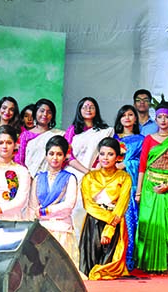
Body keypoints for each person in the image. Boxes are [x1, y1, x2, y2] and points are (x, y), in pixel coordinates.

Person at [134, 101, 168, 274]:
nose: (163, 120)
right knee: (149, 226)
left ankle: (167, 264)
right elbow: (142, 166)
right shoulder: (148, 140)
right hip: (150, 188)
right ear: (155, 119)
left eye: (167, 117)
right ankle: (147, 264)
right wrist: (139, 191)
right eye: (160, 117)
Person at [78, 137, 132, 280]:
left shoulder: (124, 177)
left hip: (114, 222)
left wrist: (110, 227)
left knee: (106, 267)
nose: (105, 158)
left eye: (110, 154)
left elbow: (121, 205)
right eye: (102, 154)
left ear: (117, 157)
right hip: (93, 222)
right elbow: (88, 204)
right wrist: (109, 219)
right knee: (88, 267)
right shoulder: (89, 177)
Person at [65, 97, 115, 239]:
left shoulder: (105, 131)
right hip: (75, 175)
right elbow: (67, 156)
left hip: (97, 176)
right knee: (75, 211)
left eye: (91, 106)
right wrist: (86, 171)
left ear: (96, 110)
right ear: (79, 110)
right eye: (85, 107)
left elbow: (107, 152)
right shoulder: (72, 130)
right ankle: (74, 246)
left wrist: (95, 171)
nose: (88, 109)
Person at [32, 136, 80, 268]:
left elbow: (68, 206)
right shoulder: (38, 178)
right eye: (51, 153)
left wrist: (46, 211)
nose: (55, 158)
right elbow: (33, 206)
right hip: (41, 229)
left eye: (59, 154)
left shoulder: (70, 178)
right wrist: (41, 213)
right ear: (46, 155)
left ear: (65, 157)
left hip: (62, 229)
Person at [113, 105, 144, 271]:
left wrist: (127, 164)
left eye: (130, 114)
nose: (127, 118)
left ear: (135, 118)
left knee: (130, 223)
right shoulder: (113, 138)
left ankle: (128, 260)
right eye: (123, 115)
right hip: (112, 186)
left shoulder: (141, 140)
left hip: (130, 187)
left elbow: (144, 164)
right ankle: (112, 258)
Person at [0, 125, 30, 221]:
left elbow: (21, 200)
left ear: (15, 145)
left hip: (11, 222)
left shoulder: (22, 171)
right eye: (0, 143)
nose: (4, 146)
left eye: (9, 143)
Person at [21, 99, 65, 176]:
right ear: (35, 113)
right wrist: (27, 177)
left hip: (52, 177)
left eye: (49, 112)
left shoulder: (59, 134)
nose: (45, 114)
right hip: (28, 177)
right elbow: (20, 159)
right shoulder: (25, 135)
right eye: (42, 111)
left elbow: (64, 158)